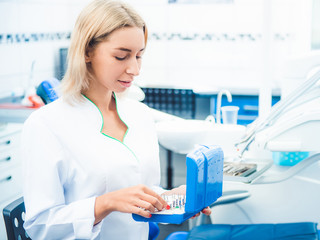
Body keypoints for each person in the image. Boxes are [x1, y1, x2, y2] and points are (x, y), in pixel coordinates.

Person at [21, 0, 210, 239]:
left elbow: (141, 190)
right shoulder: (46, 124)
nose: (135, 69)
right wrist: (104, 204)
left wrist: (173, 200)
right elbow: (40, 227)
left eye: (139, 56)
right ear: (87, 52)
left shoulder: (139, 114)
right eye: (122, 56)